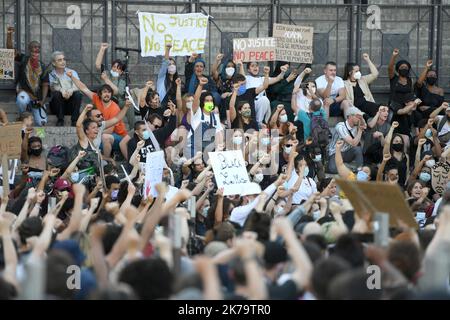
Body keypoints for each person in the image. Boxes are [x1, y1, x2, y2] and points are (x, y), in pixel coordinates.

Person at [68, 71, 129, 160]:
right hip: (101, 131)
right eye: (104, 92)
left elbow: (110, 129)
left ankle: (106, 161)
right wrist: (72, 77)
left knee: (104, 137)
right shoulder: (97, 99)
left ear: (111, 94)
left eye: (109, 92)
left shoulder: (114, 108)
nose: (107, 94)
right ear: (100, 94)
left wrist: (96, 133)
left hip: (118, 136)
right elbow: (84, 88)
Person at [6, 26, 49, 126]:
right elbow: (10, 51)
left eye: (38, 49)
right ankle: (23, 116)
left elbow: (46, 84)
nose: (36, 50)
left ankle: (39, 139)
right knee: (22, 99)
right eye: (34, 48)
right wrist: (9, 34)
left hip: (36, 99)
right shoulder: (23, 59)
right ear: (29, 50)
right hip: (24, 93)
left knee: (42, 122)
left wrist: (42, 101)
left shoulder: (43, 66)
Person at [48, 51, 82, 126]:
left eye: (64, 59)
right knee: (56, 94)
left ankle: (75, 120)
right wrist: (62, 90)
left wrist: (71, 90)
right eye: (59, 60)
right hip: (58, 106)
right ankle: (60, 120)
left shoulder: (72, 72)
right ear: (54, 63)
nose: (63, 62)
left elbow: (78, 85)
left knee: (78, 94)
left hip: (70, 104)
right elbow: (53, 87)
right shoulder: (51, 74)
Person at [327, 107, 366, 174]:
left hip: (347, 152)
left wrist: (361, 118)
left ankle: (360, 170)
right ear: (350, 116)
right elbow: (353, 143)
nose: (359, 119)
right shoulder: (340, 126)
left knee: (358, 149)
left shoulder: (356, 125)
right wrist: (360, 130)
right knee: (332, 169)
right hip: (336, 152)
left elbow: (364, 125)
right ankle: (346, 167)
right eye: (357, 117)